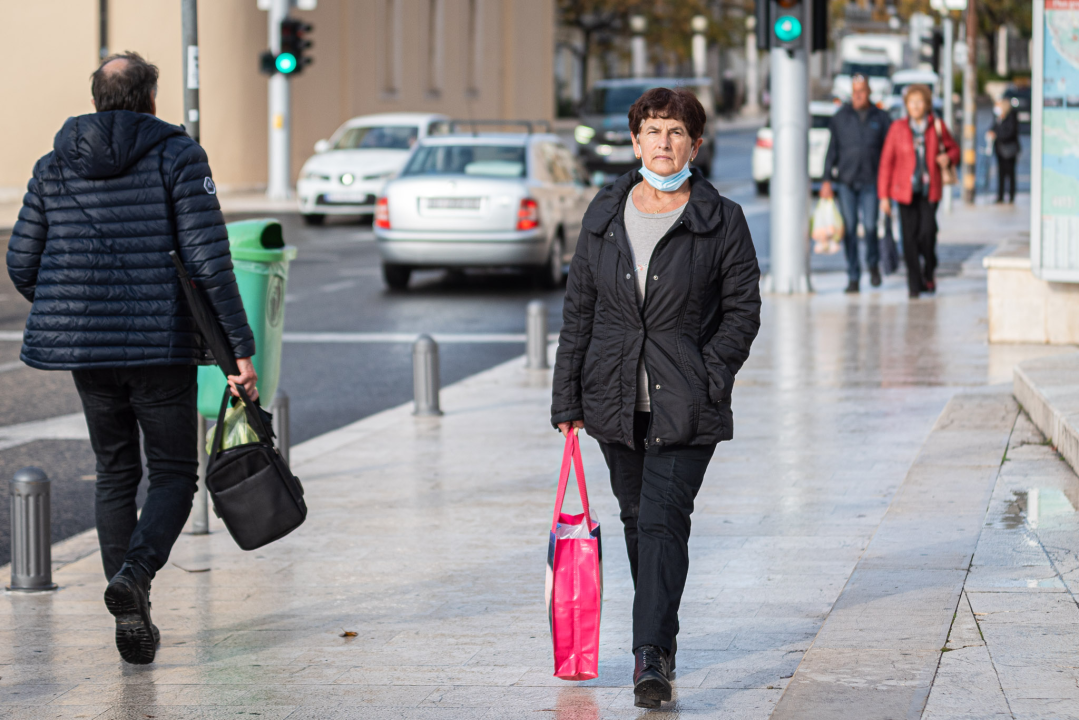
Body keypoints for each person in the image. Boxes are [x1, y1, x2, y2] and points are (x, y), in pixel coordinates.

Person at [5, 53, 258, 665]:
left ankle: (129, 602)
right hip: (158, 345)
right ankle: (136, 579)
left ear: (96, 98)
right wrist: (239, 351)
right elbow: (208, 263)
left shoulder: (52, 164)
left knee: (114, 472)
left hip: (86, 349)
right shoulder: (177, 156)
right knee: (172, 473)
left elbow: (21, 263)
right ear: (150, 99)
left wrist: (72, 307)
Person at [550, 87, 761, 709]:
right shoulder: (605, 211)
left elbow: (742, 312)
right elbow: (580, 308)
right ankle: (660, 639)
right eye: (652, 130)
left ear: (695, 145)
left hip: (686, 402)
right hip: (614, 399)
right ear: (635, 139)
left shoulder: (721, 219)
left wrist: (708, 372)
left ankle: (650, 659)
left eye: (676, 133)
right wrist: (568, 399)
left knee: (666, 520)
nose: (663, 143)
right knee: (639, 524)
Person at [877, 84, 960, 299]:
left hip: (929, 190)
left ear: (927, 104)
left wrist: (948, 158)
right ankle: (914, 284)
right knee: (909, 239)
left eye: (920, 101)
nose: (915, 106)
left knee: (927, 233)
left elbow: (954, 150)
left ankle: (929, 270)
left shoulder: (937, 126)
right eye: (911, 102)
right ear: (906, 105)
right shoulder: (898, 128)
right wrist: (883, 196)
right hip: (904, 192)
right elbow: (887, 162)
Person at [820, 75, 892, 294]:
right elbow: (831, 150)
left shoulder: (881, 117)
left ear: (869, 92)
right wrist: (826, 180)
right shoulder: (840, 117)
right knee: (849, 230)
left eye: (862, 90)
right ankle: (853, 275)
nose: (858, 95)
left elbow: (889, 153)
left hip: (872, 182)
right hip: (846, 183)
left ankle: (873, 264)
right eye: (855, 91)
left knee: (870, 227)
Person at [988, 98, 1020, 204]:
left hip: (1009, 150)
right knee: (1001, 174)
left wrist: (997, 135)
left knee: (1010, 174)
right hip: (999, 150)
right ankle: (1000, 196)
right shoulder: (998, 117)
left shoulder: (1011, 116)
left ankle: (1011, 196)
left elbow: (1010, 132)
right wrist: (991, 132)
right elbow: (994, 127)